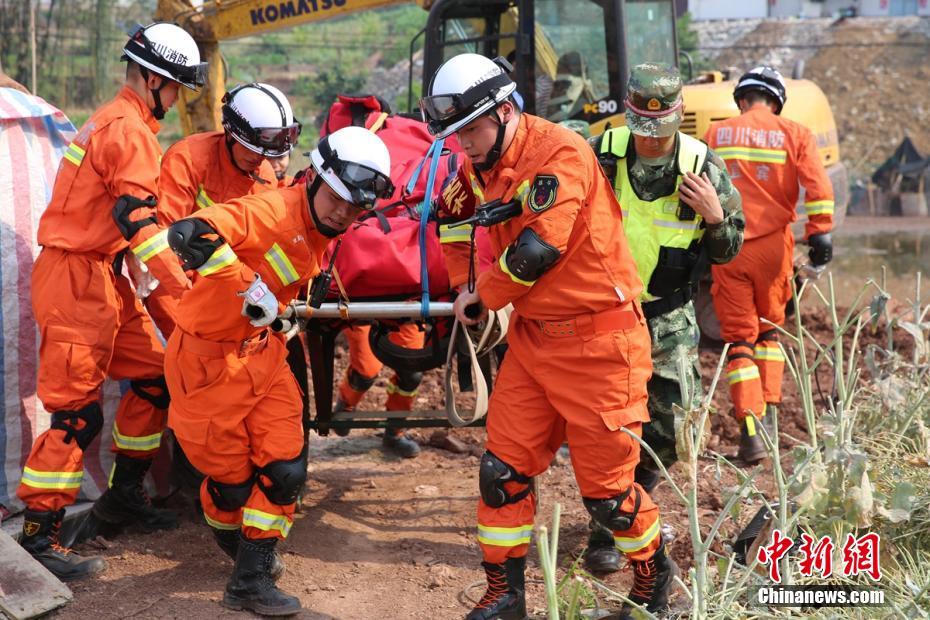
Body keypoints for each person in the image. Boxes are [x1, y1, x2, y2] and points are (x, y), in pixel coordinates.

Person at [422, 53, 677, 620]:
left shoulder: (560, 152)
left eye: (470, 130)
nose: (462, 144)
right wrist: (465, 280)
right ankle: (504, 594)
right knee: (502, 473)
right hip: (534, 343)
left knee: (609, 496)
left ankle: (655, 577)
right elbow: (457, 222)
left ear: (505, 112)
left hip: (600, 345)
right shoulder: (475, 161)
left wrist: (484, 296)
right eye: (454, 134)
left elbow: (538, 249)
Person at [164, 126, 394, 615]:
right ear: (314, 179)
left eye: (356, 208)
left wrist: (277, 310)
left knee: (286, 468)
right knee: (230, 487)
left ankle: (250, 575)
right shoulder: (268, 210)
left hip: (261, 354)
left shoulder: (322, 230)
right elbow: (188, 233)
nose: (344, 214)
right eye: (337, 199)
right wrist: (250, 288)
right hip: (205, 362)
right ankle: (238, 545)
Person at [16, 22, 206, 581]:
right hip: (76, 279)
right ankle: (38, 534)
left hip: (102, 275)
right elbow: (140, 223)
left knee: (155, 374)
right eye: (175, 88)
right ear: (154, 80)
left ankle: (123, 497)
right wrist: (187, 291)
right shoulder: (129, 131)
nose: (176, 99)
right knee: (76, 414)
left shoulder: (121, 121)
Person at [582, 64, 744, 574]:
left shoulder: (703, 165)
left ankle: (630, 496)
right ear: (627, 116)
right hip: (604, 312)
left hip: (667, 314)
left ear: (677, 118)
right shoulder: (599, 154)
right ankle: (606, 529)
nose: (651, 142)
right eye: (641, 130)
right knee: (608, 427)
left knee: (674, 426)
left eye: (661, 131)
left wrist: (716, 218)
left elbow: (729, 250)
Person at [705, 66, 834, 463]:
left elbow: (696, 183)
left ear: (742, 99)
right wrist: (820, 233)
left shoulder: (716, 133)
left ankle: (750, 435)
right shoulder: (795, 133)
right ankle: (772, 419)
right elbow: (818, 186)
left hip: (729, 247)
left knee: (740, 340)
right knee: (769, 335)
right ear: (775, 101)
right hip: (775, 250)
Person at [147, 82, 292, 336]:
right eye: (251, 148)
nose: (259, 158)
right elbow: (165, 240)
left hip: (232, 288)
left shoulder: (265, 175)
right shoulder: (189, 158)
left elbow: (262, 249)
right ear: (232, 133)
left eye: (266, 152)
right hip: (177, 284)